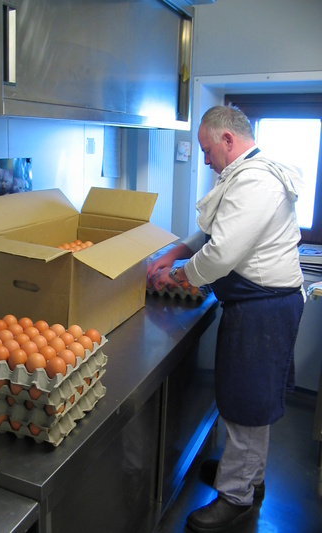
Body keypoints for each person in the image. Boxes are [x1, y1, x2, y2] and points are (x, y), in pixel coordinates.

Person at [147, 105, 305, 532]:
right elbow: (216, 234)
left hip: (264, 309)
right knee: (248, 400)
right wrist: (177, 250)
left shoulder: (256, 182)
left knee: (248, 404)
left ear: (228, 141)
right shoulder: (243, 176)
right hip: (256, 305)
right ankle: (248, 479)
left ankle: (236, 498)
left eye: (206, 149)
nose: (204, 158)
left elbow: (220, 254)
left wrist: (178, 274)